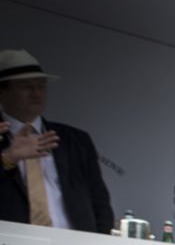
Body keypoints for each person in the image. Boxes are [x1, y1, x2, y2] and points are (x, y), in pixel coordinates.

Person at [0, 49, 115, 233]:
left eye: (41, 85)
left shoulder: (76, 140)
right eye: (26, 86)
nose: (36, 93)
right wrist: (7, 158)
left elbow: (99, 203)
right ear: (2, 91)